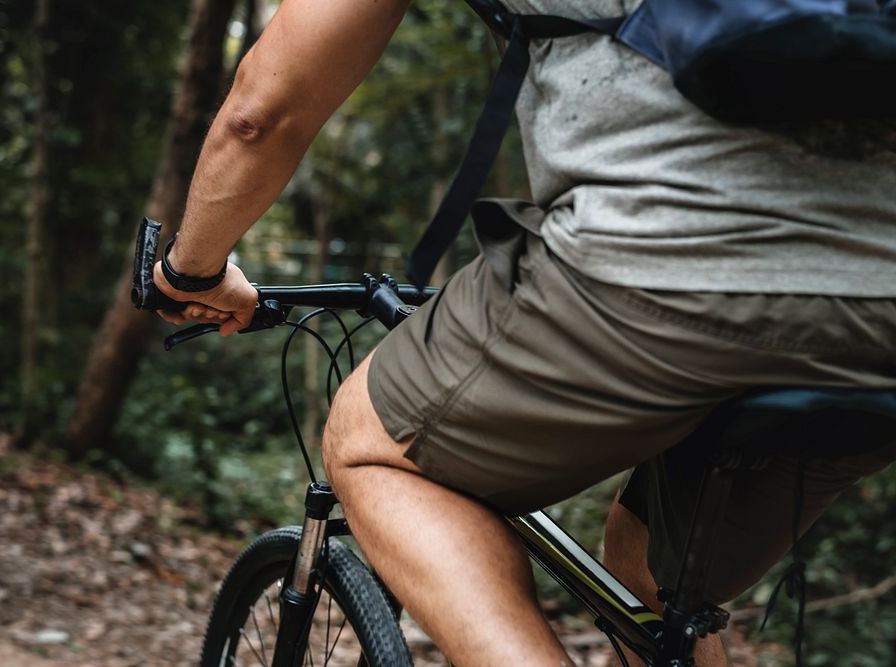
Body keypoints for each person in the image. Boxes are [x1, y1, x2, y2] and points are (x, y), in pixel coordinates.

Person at [152, 1, 896, 665]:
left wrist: (191, 272)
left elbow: (263, 109)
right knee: (646, 572)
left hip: (653, 262)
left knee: (375, 443)